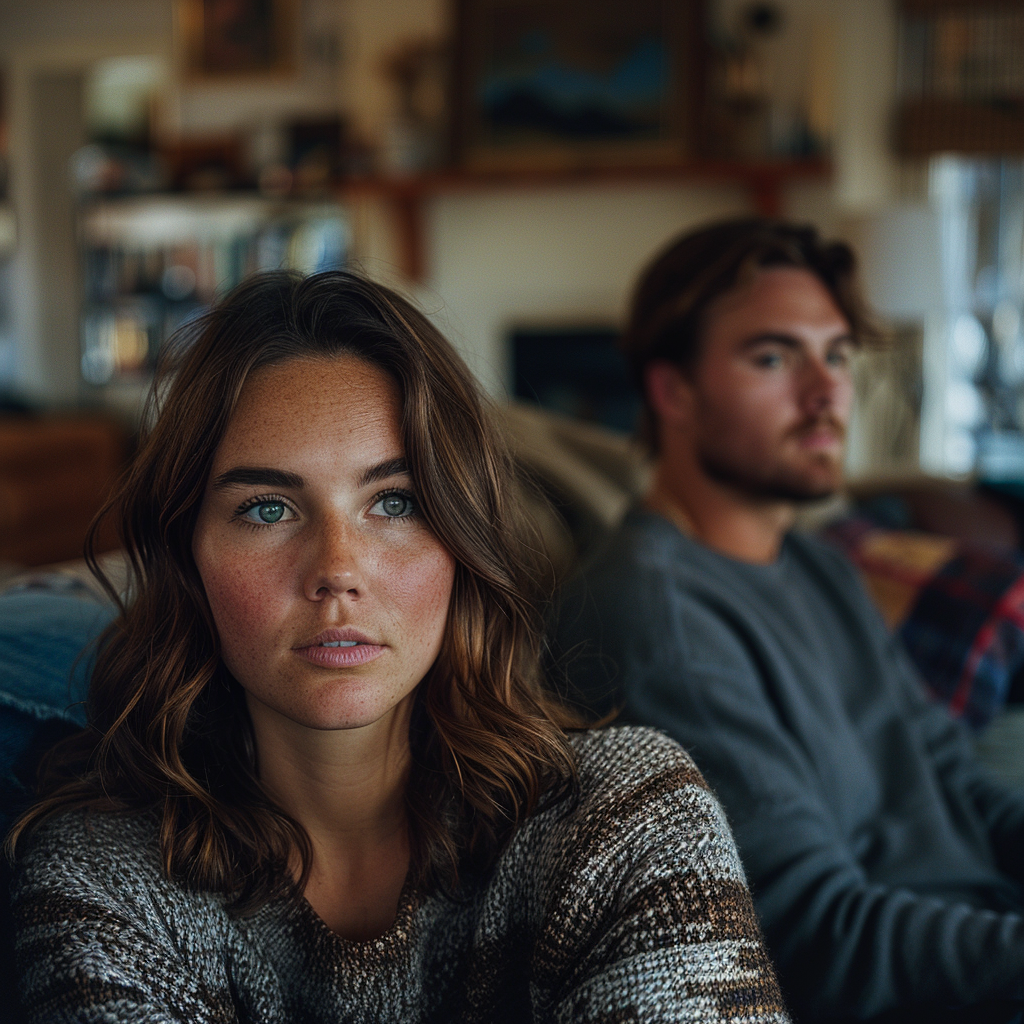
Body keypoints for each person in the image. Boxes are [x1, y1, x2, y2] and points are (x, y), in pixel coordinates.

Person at [6, 270, 788, 1023]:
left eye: (395, 502)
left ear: (462, 539)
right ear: (187, 557)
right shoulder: (102, 880)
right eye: (269, 509)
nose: (337, 570)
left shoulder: (626, 817)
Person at [551, 219, 1024, 1024]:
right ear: (674, 392)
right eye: (774, 357)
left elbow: (951, 773)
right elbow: (810, 937)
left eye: (836, 354)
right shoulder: (655, 617)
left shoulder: (818, 567)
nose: (827, 392)